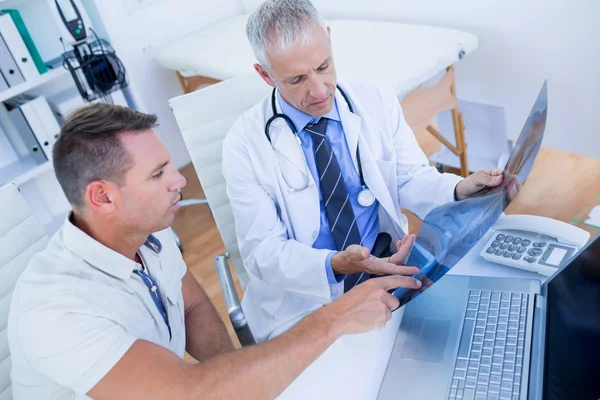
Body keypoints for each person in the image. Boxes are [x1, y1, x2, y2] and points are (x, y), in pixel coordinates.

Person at [7, 103, 421, 400]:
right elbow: (189, 393)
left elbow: (192, 307)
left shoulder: (144, 233)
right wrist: (336, 318)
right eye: (158, 174)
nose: (179, 181)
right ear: (103, 197)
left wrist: (235, 381)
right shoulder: (57, 310)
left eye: (170, 165)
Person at [222, 0, 504, 342]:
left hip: (387, 264)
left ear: (329, 39)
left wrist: (460, 190)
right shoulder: (243, 143)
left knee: (465, 334)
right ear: (265, 75)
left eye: (323, 66)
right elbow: (262, 252)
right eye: (296, 79)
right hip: (306, 299)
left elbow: (411, 177)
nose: (318, 90)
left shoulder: (376, 101)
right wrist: (336, 264)